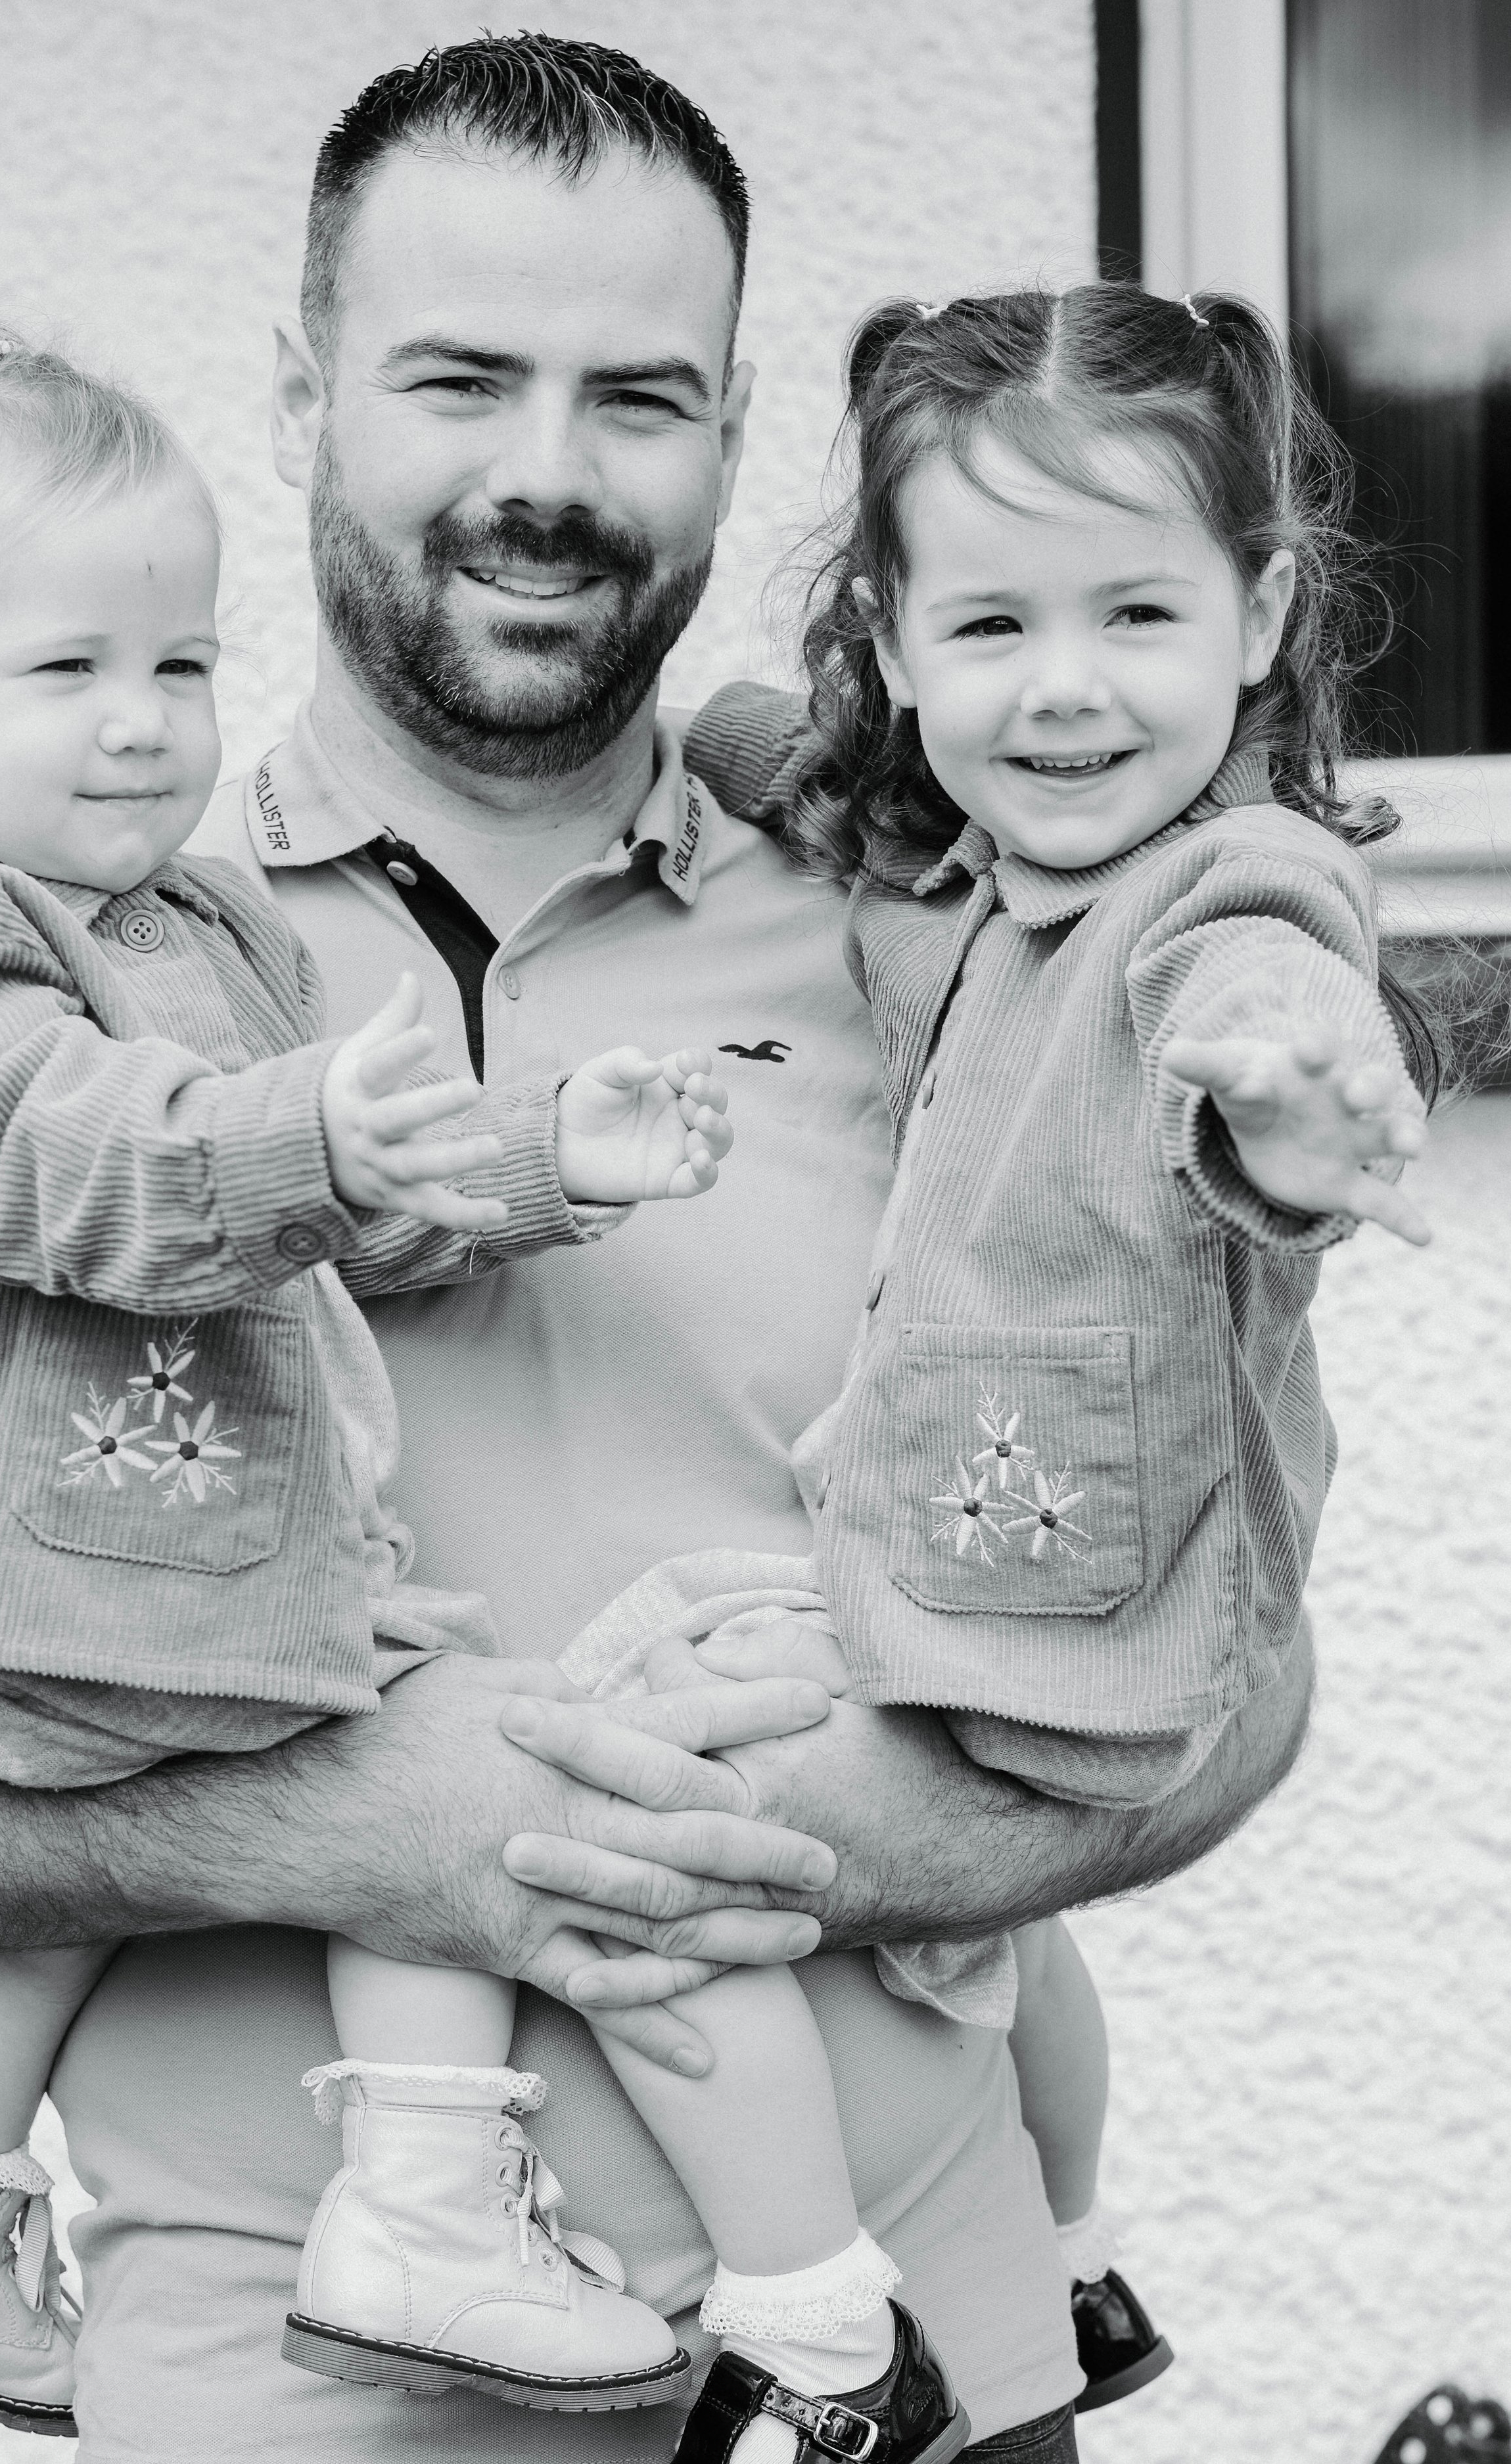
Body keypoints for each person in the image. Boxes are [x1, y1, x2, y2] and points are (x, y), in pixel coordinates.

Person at [0, 39, 1314, 2464]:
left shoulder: (969, 944)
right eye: (459, 377)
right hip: (281, 2397)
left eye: (635, 394)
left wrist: (824, 1826)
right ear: (307, 388)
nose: (546, 471)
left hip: (929, 2366)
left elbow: (1234, 1650)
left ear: (737, 429)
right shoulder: (36, 1016)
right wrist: (378, 1833)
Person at [0, 304, 743, 2434]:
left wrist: (536, 1154)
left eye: (178, 666)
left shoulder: (201, 922)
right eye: (65, 671)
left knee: (62, 1909)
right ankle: (429, 2205)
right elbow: (70, 1166)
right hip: (37, 1566)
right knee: (445, 1770)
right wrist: (302, 1137)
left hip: (123, 1563)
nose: (144, 725)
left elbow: (332, 1211)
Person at [611, 278, 1437, 2455]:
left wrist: (1297, 1076)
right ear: (890, 644)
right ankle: (1068, 2266)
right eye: (985, 631)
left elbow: (1258, 986)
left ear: (1260, 617)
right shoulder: (974, 885)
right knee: (988, 1947)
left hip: (1083, 1654)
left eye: (1132, 618)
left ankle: (811, 2338)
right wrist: (706, 744)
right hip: (989, 1599)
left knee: (633, 1843)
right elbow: (811, 788)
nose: (1061, 694)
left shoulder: (1212, 894)